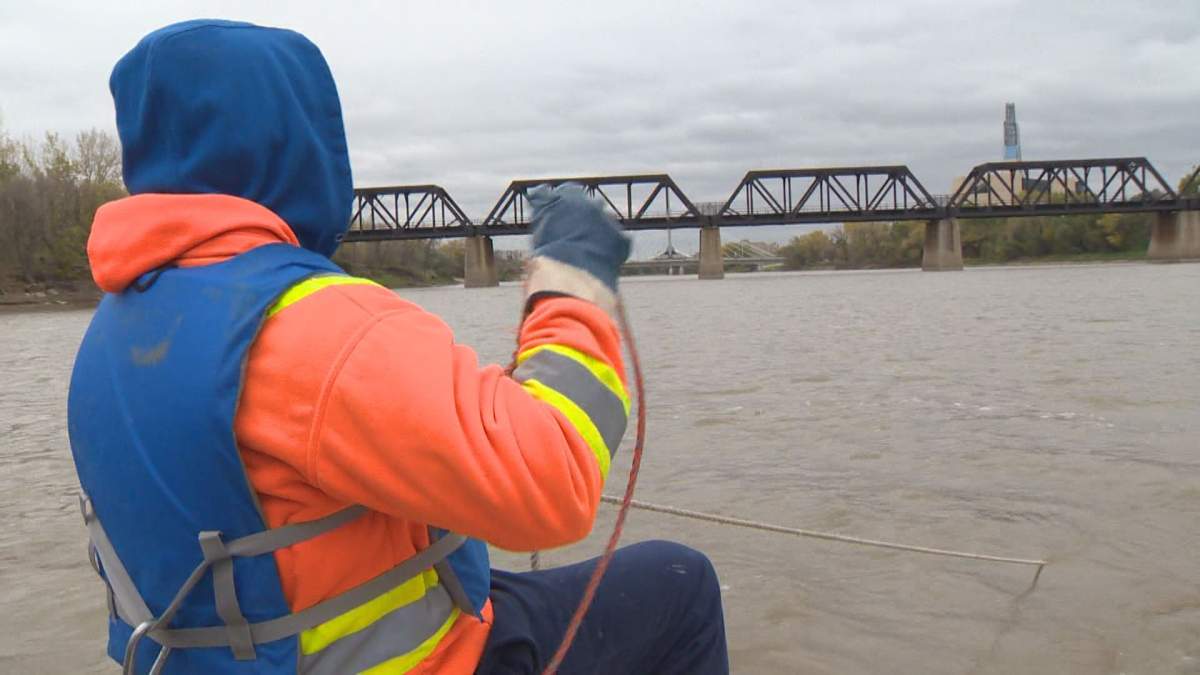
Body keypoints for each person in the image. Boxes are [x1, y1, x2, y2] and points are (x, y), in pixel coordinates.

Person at [68, 19, 728, 675]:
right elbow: (553, 480)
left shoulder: (111, 331)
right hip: (426, 662)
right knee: (681, 582)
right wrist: (570, 284)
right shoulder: (313, 323)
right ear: (299, 142)